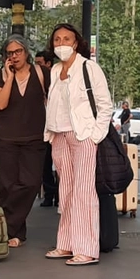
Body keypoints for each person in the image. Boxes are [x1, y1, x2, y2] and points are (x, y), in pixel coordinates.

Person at [43, 23, 112, 266]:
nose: (61, 43)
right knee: (67, 192)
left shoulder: (89, 68)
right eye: (57, 39)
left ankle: (87, 249)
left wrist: (95, 135)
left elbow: (105, 105)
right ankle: (66, 244)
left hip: (82, 135)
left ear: (75, 43)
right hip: (59, 135)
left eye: (66, 39)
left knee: (83, 192)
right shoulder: (55, 70)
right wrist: (49, 133)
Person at [0, 36, 48, 248]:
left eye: (18, 51)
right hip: (6, 137)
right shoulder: (1, 75)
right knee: (7, 186)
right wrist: (8, 79)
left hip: (34, 137)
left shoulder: (42, 73)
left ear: (26, 52)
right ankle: (17, 233)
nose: (14, 56)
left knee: (30, 183)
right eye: (10, 53)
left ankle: (5, 227)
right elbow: (0, 103)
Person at [35, 49, 59, 208]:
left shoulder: (58, 81)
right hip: (43, 130)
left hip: (57, 129)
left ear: (48, 64)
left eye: (40, 64)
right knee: (45, 163)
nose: (37, 68)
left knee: (60, 164)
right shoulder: (36, 85)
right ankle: (50, 195)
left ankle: (59, 195)